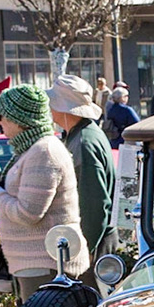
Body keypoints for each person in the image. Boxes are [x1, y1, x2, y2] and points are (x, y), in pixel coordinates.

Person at [0, 84, 85, 302]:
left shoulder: (43, 152)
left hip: (45, 265)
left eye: (1, 115)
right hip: (35, 264)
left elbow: (28, 214)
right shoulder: (32, 149)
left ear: (19, 119)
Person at [48, 75, 115, 260]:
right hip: (93, 240)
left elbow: (94, 205)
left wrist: (82, 249)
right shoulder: (82, 134)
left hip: (93, 244)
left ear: (64, 108)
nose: (50, 108)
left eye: (53, 102)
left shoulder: (84, 143)